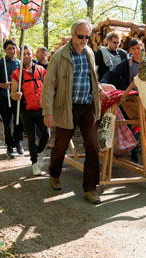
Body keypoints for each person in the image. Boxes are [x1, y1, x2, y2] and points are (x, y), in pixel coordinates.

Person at [42, 19, 109, 205]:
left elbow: (92, 80)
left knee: (93, 147)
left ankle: (90, 188)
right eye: (81, 36)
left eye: (87, 37)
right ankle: (54, 173)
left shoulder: (89, 53)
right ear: (73, 35)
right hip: (66, 108)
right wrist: (48, 112)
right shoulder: (59, 56)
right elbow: (48, 86)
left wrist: (100, 96)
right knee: (61, 147)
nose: (84, 40)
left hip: (87, 107)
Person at [101, 38, 146, 165]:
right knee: (137, 128)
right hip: (134, 102)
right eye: (133, 49)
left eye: (138, 48)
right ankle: (134, 157)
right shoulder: (127, 64)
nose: (136, 51)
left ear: (142, 48)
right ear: (130, 50)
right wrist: (103, 83)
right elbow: (112, 73)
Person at [11, 45, 49, 176]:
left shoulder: (41, 70)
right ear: (20, 57)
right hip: (26, 110)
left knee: (46, 134)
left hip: (42, 109)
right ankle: (34, 163)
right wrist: (16, 95)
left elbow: (48, 86)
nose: (26, 56)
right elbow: (12, 93)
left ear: (32, 55)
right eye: (23, 54)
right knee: (32, 137)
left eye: (28, 53)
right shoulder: (17, 74)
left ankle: (38, 152)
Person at [0, 39, 24, 158]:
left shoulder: (20, 63)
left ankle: (18, 141)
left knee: (19, 121)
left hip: (17, 98)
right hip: (4, 97)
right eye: (9, 48)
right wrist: (2, 85)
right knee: (7, 123)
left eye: (14, 48)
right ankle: (9, 146)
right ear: (5, 50)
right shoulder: (0, 63)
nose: (12, 51)